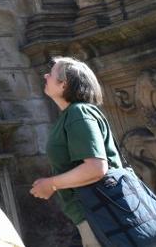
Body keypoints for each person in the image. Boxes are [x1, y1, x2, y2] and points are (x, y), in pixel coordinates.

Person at [30, 56, 123, 247]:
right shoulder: (72, 114)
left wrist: (51, 184)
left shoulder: (78, 113)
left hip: (100, 216)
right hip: (94, 214)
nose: (46, 75)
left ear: (64, 85)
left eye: (52, 73)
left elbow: (96, 168)